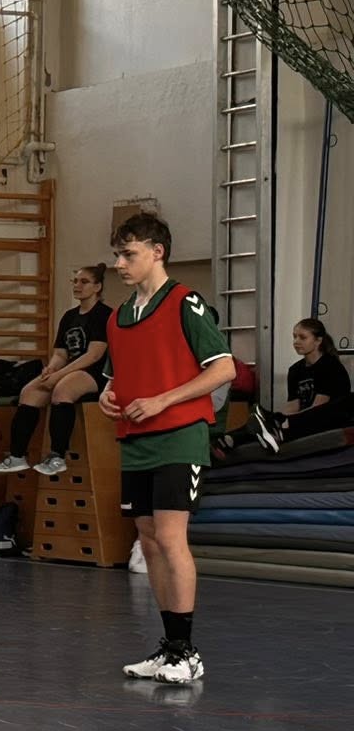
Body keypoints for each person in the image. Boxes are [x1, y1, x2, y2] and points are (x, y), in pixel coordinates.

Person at [100, 212, 235, 685]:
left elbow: (224, 369)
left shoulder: (185, 302)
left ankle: (186, 652)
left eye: (128, 254)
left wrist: (163, 400)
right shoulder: (118, 317)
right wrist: (107, 395)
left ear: (157, 252)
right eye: (117, 255)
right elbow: (116, 377)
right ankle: (170, 646)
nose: (119, 264)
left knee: (172, 537)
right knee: (149, 538)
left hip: (180, 437)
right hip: (135, 441)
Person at [0, 264, 112, 476]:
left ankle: (57, 456)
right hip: (69, 369)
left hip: (95, 372)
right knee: (30, 391)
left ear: (97, 287)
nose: (77, 286)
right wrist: (51, 369)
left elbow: (93, 355)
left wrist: (59, 375)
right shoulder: (69, 316)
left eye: (84, 282)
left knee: (62, 390)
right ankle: (17, 456)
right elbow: (61, 353)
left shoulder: (104, 314)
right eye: (75, 281)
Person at [226, 317, 352, 455]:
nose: (296, 341)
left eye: (302, 337)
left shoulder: (330, 366)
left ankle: (273, 429)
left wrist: (285, 421)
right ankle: (230, 439)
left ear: (318, 340)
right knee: (266, 423)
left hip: (327, 419)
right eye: (294, 336)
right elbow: (292, 406)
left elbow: (319, 407)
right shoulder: (295, 370)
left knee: (280, 421)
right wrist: (277, 418)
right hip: (302, 419)